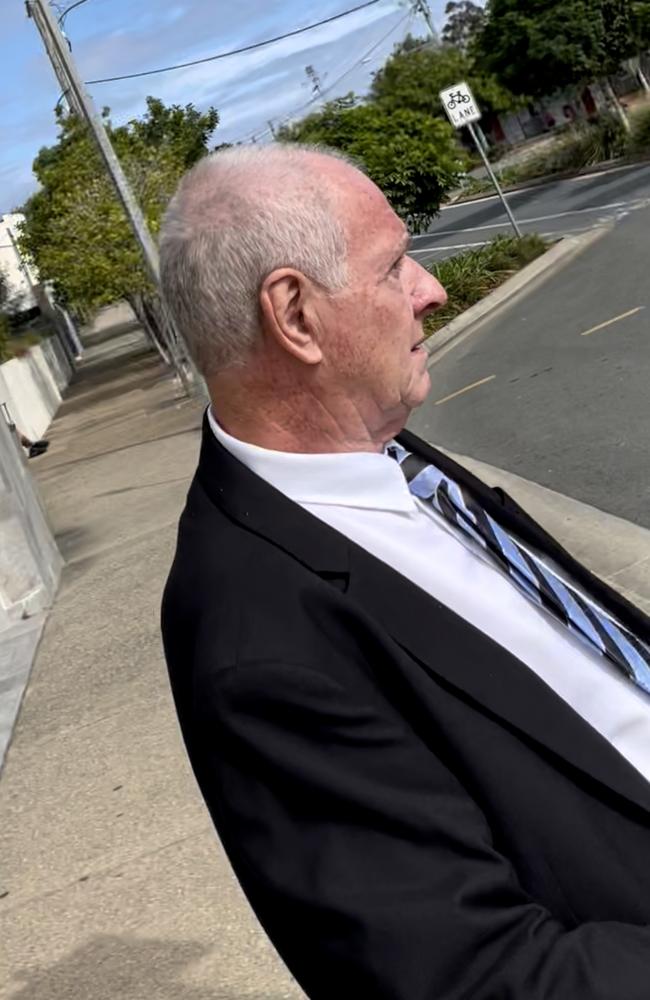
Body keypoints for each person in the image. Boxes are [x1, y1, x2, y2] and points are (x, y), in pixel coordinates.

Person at [160, 145, 650, 999]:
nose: (432, 289)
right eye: (393, 267)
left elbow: (582, 647)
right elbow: (469, 978)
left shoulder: (382, 446)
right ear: (296, 317)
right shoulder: (257, 644)